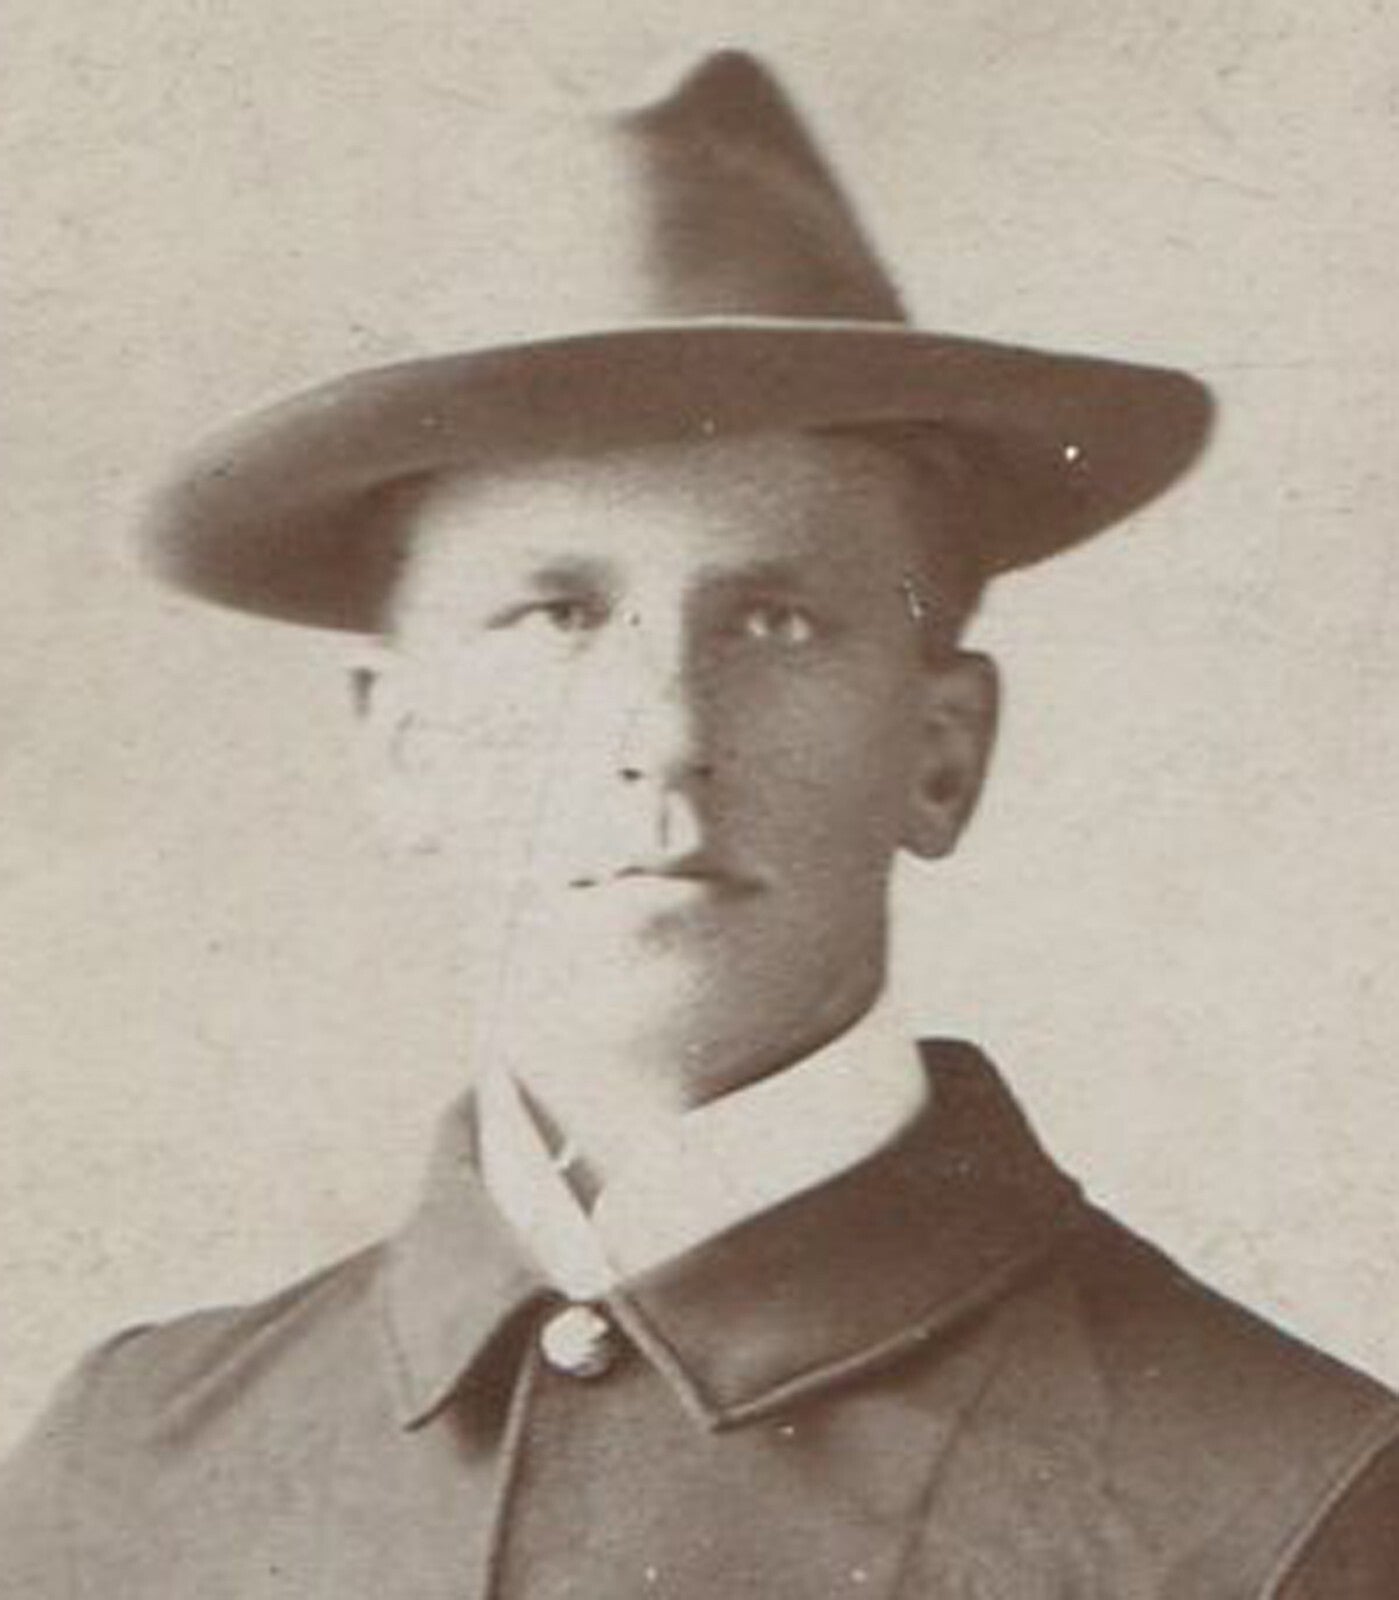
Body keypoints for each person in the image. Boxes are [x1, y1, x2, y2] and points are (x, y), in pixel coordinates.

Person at [2, 47, 1395, 1598]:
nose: (662, 733)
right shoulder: (127, 1478)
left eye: (779, 623)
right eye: (551, 618)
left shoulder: (1278, 1506)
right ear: (396, 745)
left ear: (944, 751)